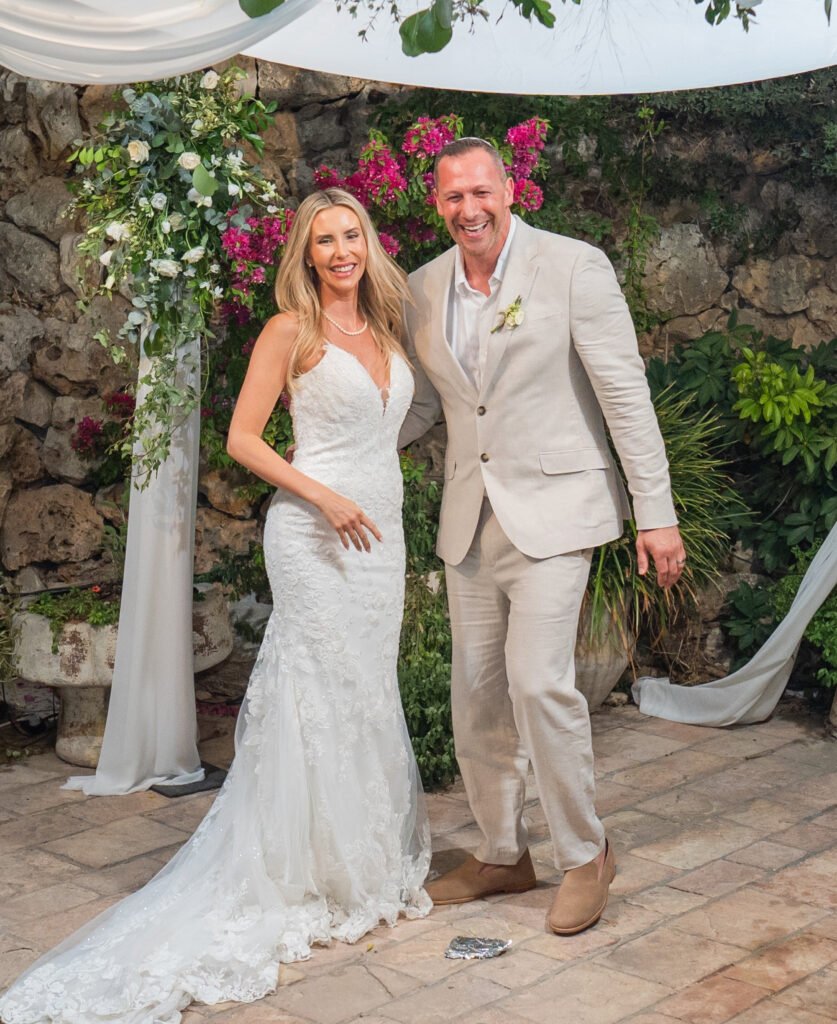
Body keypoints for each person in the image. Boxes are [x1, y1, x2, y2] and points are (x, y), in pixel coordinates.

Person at [0, 188, 431, 1024]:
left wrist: (366, 498)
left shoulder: (383, 328)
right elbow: (242, 438)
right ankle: (296, 868)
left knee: (364, 690)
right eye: (324, 240)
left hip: (382, 537)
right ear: (305, 255)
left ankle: (356, 862)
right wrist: (324, 497)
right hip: (314, 533)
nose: (340, 251)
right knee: (315, 689)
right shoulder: (289, 332)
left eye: (351, 236)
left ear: (367, 244)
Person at [399, 138, 686, 936]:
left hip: (558, 516)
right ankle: (500, 852)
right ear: (437, 203)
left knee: (537, 684)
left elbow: (623, 395)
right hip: (470, 521)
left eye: (480, 191)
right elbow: (428, 407)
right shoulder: (422, 288)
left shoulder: (571, 266)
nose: (469, 209)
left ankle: (584, 854)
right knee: (476, 699)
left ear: (508, 188)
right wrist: (346, 442)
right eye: (453, 197)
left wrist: (654, 512)